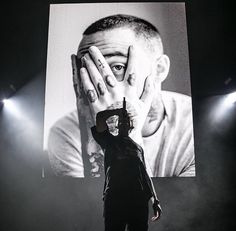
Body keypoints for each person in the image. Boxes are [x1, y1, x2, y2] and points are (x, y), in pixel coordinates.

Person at [47, 14, 195, 178]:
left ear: (159, 69)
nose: (98, 81)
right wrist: (90, 129)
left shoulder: (195, 125)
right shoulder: (65, 133)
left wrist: (126, 135)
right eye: (87, 70)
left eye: (117, 66)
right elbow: (91, 203)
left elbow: (149, 203)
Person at [91, 98, 162, 231]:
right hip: (115, 197)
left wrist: (155, 200)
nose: (124, 122)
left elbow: (145, 174)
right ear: (117, 125)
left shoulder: (138, 148)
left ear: (130, 125)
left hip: (138, 199)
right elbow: (100, 117)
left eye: (126, 121)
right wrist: (118, 111)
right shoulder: (109, 141)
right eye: (121, 121)